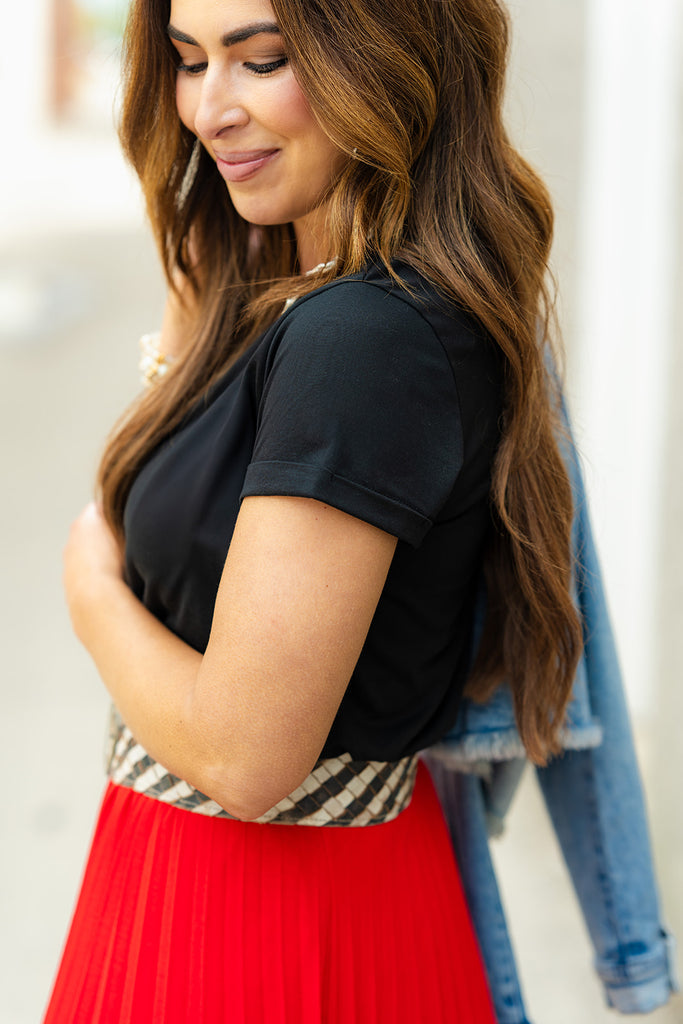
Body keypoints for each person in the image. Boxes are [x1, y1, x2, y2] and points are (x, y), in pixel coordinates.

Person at [43, 0, 584, 1020]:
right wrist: (203, 291)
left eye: (261, 60)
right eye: (188, 61)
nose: (209, 110)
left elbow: (245, 755)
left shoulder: (364, 341)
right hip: (209, 891)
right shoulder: (305, 294)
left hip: (267, 923)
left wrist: (89, 587)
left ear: (383, 58)